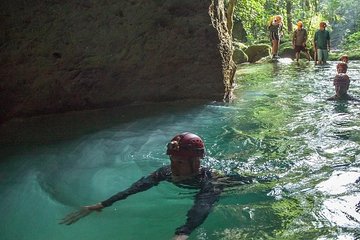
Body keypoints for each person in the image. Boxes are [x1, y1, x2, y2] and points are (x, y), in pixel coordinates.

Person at [60, 132, 258, 240]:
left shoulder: (211, 181)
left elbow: (202, 206)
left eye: (179, 162)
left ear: (196, 162)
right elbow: (136, 187)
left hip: (236, 182)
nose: (173, 166)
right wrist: (103, 204)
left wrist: (183, 232)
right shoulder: (166, 172)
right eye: (172, 160)